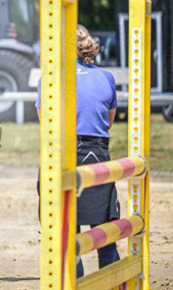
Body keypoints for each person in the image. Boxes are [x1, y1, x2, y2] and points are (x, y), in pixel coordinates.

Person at [37, 24, 121, 277]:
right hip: (98, 156)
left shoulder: (50, 77)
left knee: (65, 233)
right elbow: (108, 121)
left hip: (64, 156)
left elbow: (46, 123)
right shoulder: (106, 77)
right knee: (105, 234)